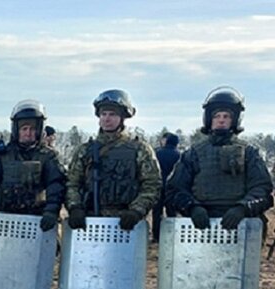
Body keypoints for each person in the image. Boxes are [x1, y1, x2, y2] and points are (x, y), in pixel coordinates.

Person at [165, 87, 273, 230]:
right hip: (201, 225)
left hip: (241, 224)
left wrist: (243, 208)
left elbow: (262, 188)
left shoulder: (249, 153)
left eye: (226, 116)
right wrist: (192, 207)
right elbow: (175, 189)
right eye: (217, 116)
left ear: (235, 120)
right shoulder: (193, 154)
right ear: (209, 119)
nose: (221, 120)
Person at [65, 89, 160, 231]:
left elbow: (152, 184)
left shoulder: (139, 149)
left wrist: (136, 211)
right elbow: (72, 183)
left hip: (126, 223)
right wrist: (75, 207)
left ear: (123, 117)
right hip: (90, 222)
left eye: (112, 114)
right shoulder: (85, 150)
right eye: (103, 114)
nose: (106, 119)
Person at [0, 100, 66, 231]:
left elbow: (56, 184)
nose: (28, 133)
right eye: (24, 129)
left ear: (39, 131)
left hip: (37, 221)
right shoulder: (2, 155)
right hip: (5, 219)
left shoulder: (48, 157)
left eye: (32, 129)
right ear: (17, 130)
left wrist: (52, 210)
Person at [151, 132, 181, 242]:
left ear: (166, 140)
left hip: (158, 186)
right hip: (172, 188)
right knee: (171, 213)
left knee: (157, 212)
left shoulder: (157, 153)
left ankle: (156, 236)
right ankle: (172, 235)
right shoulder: (179, 155)